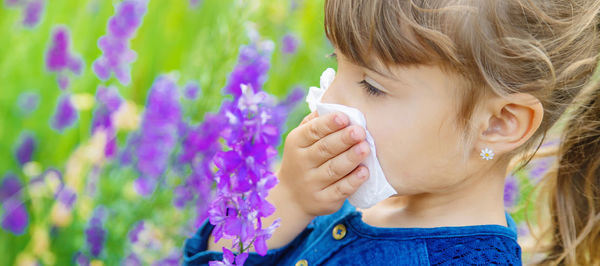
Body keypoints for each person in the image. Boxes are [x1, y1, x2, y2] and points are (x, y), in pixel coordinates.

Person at [184, 0, 600, 265]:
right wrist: (288, 199)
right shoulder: (341, 198)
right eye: (336, 60)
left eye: (373, 86)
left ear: (498, 124)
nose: (329, 96)